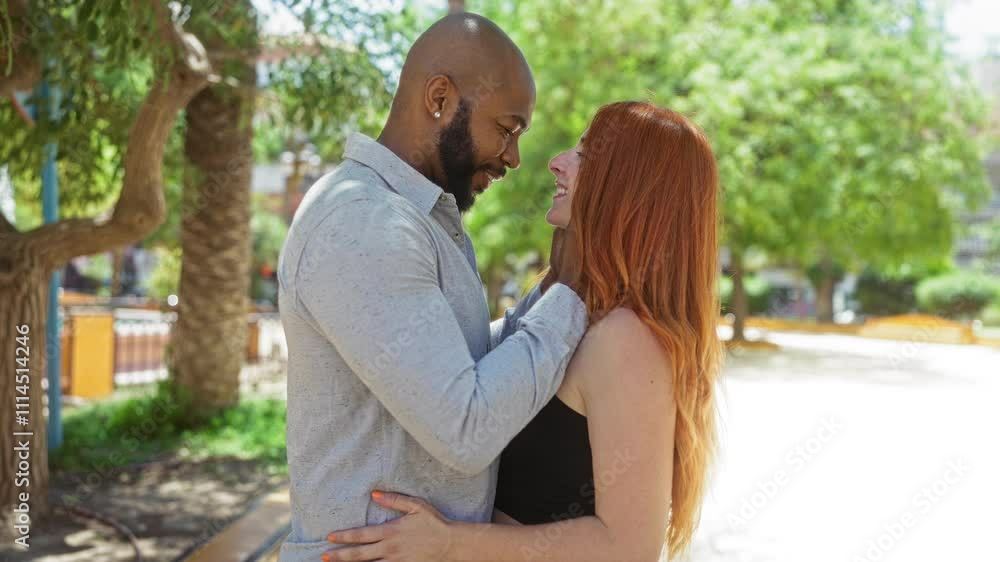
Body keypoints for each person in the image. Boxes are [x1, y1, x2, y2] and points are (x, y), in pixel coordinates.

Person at [322, 101, 724, 561]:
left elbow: (629, 547)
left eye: (585, 155)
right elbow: (478, 368)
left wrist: (448, 542)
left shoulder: (625, 339)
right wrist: (557, 286)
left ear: (631, 187)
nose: (557, 162)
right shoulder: (580, 313)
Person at [275, 13, 589, 562]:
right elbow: (465, 427)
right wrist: (574, 293)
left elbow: (462, 362)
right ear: (440, 98)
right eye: (507, 129)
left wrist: (553, 289)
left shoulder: (420, 218)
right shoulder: (364, 220)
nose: (514, 158)